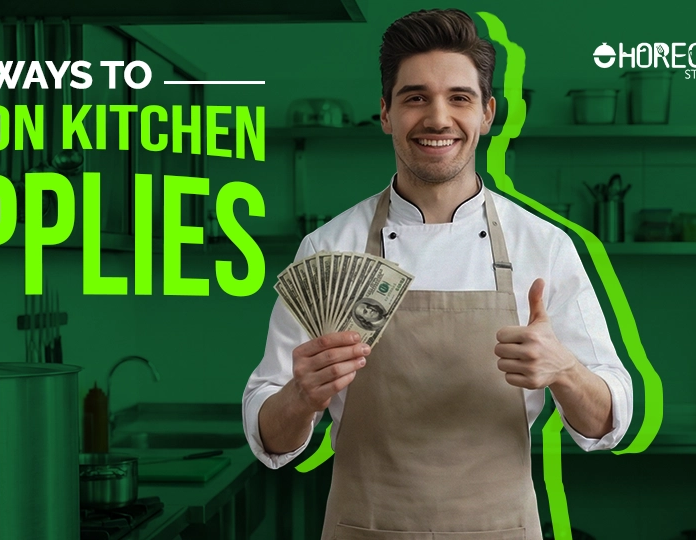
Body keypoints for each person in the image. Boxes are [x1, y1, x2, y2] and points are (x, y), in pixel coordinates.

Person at [242, 8, 633, 540]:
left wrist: (564, 369)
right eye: (415, 97)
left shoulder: (542, 246)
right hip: (365, 528)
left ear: (488, 113)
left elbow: (606, 422)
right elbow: (269, 435)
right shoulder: (329, 249)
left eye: (460, 98)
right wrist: (300, 396)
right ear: (385, 112)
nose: (438, 118)